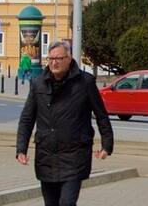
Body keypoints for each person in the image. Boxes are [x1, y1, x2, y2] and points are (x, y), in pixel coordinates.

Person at [15, 43, 114, 206]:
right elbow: (27, 119)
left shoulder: (85, 82)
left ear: (69, 59)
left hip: (75, 156)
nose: (54, 63)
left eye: (59, 58)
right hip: (46, 156)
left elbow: (101, 116)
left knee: (67, 202)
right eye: (51, 58)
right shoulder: (38, 83)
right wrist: (21, 149)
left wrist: (106, 146)